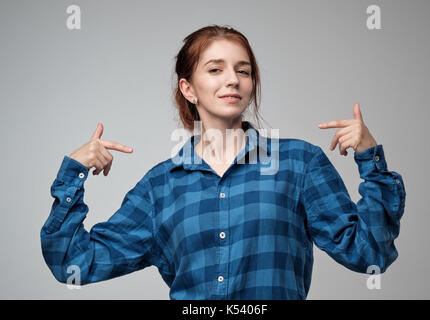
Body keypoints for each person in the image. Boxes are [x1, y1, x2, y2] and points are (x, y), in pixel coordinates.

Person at [40, 24, 406, 300]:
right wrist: (73, 173)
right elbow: (74, 263)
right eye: (215, 69)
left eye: (243, 70)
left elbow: (369, 253)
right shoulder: (160, 187)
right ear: (188, 89)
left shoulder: (299, 164)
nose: (232, 79)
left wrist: (370, 160)